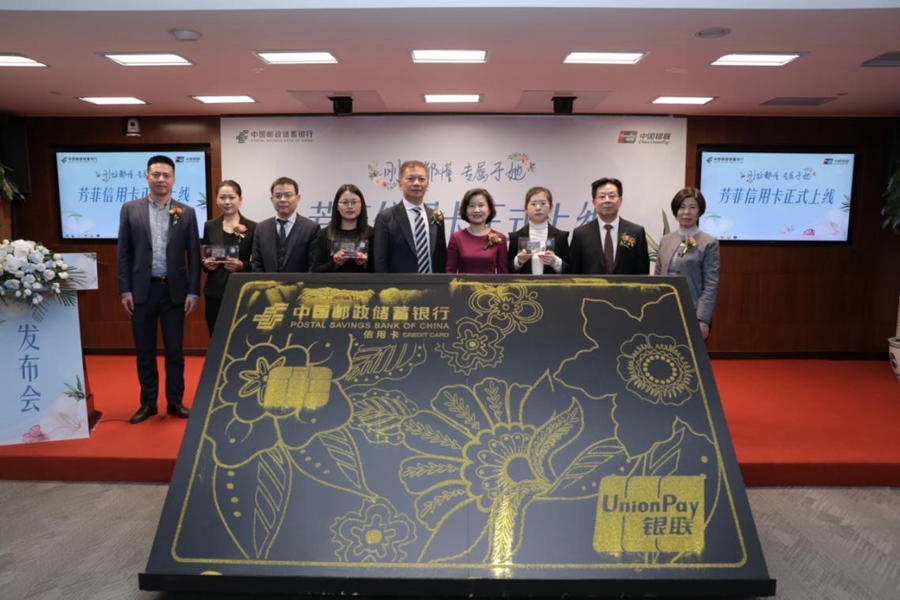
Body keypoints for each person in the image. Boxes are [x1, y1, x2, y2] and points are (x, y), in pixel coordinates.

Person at [117, 155, 199, 424]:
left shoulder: (186, 212)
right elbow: (124, 253)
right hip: (142, 292)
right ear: (147, 177)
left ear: (173, 179)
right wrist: (125, 290)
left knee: (175, 351)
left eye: (166, 175)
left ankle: (175, 402)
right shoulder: (131, 209)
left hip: (174, 292)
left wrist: (193, 291)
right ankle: (148, 403)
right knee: (145, 352)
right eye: (156, 174)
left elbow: (194, 255)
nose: (161, 179)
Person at [655, 187, 721, 340]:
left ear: (700, 211)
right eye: (682, 207)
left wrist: (702, 319)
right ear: (675, 211)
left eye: (692, 207)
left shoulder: (709, 243)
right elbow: (657, 277)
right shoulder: (666, 240)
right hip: (664, 311)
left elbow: (711, 285)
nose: (686, 212)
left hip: (693, 313)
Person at [201, 180, 256, 335]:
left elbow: (258, 263)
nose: (227, 202)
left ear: (240, 199)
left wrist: (242, 265)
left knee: (241, 337)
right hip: (215, 292)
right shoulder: (210, 226)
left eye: (231, 197)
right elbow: (206, 257)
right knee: (216, 336)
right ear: (216, 199)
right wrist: (206, 264)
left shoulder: (253, 227)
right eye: (222, 197)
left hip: (242, 292)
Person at [373, 160, 447, 273]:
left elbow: (441, 258)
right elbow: (380, 261)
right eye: (410, 179)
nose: (416, 183)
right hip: (399, 284)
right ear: (400, 184)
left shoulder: (436, 216)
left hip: (432, 283)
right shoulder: (385, 218)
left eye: (421, 179)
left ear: (427, 185)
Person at [570, 177, 650, 275]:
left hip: (627, 285)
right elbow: (574, 271)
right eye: (602, 196)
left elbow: (642, 272)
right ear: (594, 202)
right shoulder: (580, 234)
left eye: (612, 196)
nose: (607, 200)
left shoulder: (636, 232)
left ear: (620, 200)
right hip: (591, 285)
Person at [251, 176, 320, 273]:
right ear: (272, 199)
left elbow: (312, 266)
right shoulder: (261, 228)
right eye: (278, 196)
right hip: (266, 282)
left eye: (288, 195)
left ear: (297, 198)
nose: (283, 200)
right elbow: (256, 264)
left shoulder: (311, 228)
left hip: (300, 282)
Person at [312, 184, 374, 273]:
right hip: (332, 282)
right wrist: (335, 263)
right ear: (337, 206)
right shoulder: (324, 234)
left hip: (364, 282)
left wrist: (365, 263)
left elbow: (381, 269)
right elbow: (315, 270)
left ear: (361, 205)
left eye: (354, 202)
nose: (349, 206)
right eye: (345, 202)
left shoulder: (373, 233)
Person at [508, 186, 570, 274]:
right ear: (526, 208)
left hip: (552, 283)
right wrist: (518, 262)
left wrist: (555, 262)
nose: (538, 208)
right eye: (533, 204)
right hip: (524, 283)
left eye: (543, 203)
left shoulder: (561, 236)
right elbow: (508, 269)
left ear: (551, 207)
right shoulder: (516, 236)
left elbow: (570, 270)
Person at [446, 188, 508, 274]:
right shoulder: (456, 238)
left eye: (481, 205)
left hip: (490, 283)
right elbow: (449, 272)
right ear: (466, 210)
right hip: (462, 283)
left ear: (489, 210)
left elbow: (503, 273)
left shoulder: (500, 238)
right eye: (472, 206)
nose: (476, 210)